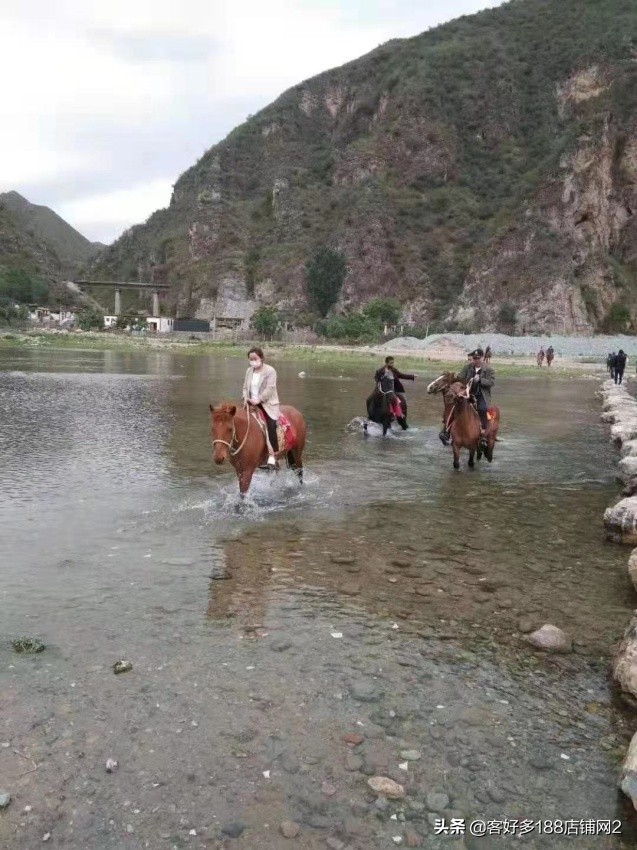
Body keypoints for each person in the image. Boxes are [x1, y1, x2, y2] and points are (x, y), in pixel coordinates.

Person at [439, 348, 495, 448]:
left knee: (483, 409)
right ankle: (446, 431)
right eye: (475, 358)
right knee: (454, 408)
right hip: (466, 394)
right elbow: (460, 378)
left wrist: (480, 380)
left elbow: (491, 382)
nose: (477, 360)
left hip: (481, 395)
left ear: (482, 358)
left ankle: (483, 434)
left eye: (478, 358)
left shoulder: (489, 369)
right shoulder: (467, 367)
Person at [242, 347, 280, 466]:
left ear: (261, 358)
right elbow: (244, 387)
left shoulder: (270, 371)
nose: (253, 361)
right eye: (251, 359)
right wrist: (245, 398)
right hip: (250, 403)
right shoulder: (249, 371)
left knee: (271, 425)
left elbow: (270, 388)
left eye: (255, 358)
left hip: (266, 404)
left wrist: (258, 400)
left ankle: (273, 455)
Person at [374, 356, 415, 427]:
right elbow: (376, 379)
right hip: (382, 390)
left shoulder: (393, 370)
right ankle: (372, 414)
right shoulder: (380, 371)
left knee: (395, 400)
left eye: (393, 363)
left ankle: (396, 414)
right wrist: (380, 384)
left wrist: (412, 376)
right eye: (390, 363)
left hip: (393, 390)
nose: (392, 365)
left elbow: (401, 375)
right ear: (386, 363)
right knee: (371, 399)